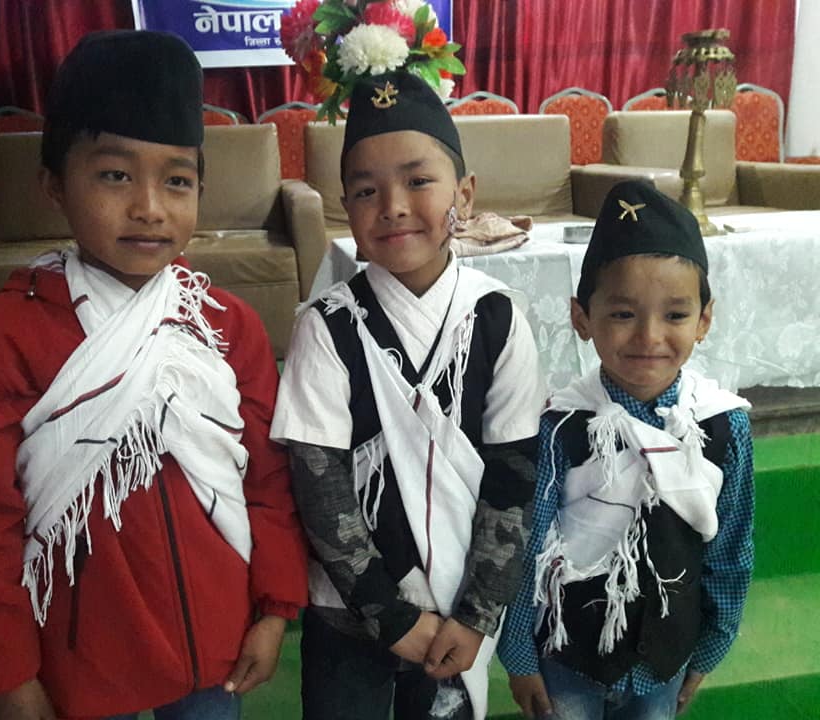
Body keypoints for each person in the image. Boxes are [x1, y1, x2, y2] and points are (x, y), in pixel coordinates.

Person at [0, 30, 307, 720]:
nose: (149, 207)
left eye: (177, 181)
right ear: (54, 185)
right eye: (114, 176)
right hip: (82, 663)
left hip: (217, 646)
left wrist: (275, 608)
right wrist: (8, 673)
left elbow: (268, 482)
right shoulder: (1, 336)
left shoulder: (230, 327)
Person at [271, 72, 546, 720]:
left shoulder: (498, 318)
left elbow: (514, 476)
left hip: (458, 606)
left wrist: (478, 615)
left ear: (464, 194)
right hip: (350, 612)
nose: (392, 206)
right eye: (366, 190)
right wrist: (390, 616)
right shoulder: (326, 325)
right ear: (345, 206)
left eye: (418, 181)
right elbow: (320, 487)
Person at [498, 180, 755, 720]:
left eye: (675, 315)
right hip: (569, 658)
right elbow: (527, 546)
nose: (648, 337)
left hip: (665, 660)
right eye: (622, 314)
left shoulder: (723, 425)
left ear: (704, 320)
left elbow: (731, 548)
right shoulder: (561, 425)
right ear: (581, 318)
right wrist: (518, 654)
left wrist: (711, 645)